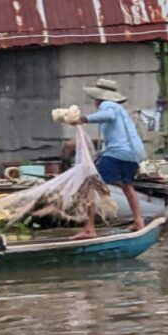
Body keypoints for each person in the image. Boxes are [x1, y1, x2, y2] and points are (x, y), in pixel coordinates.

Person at [66, 78, 146, 238]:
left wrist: (84, 119)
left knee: (91, 184)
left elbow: (108, 115)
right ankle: (139, 221)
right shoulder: (121, 110)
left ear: (98, 98)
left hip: (119, 153)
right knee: (127, 186)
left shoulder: (108, 105)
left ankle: (89, 228)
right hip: (134, 153)